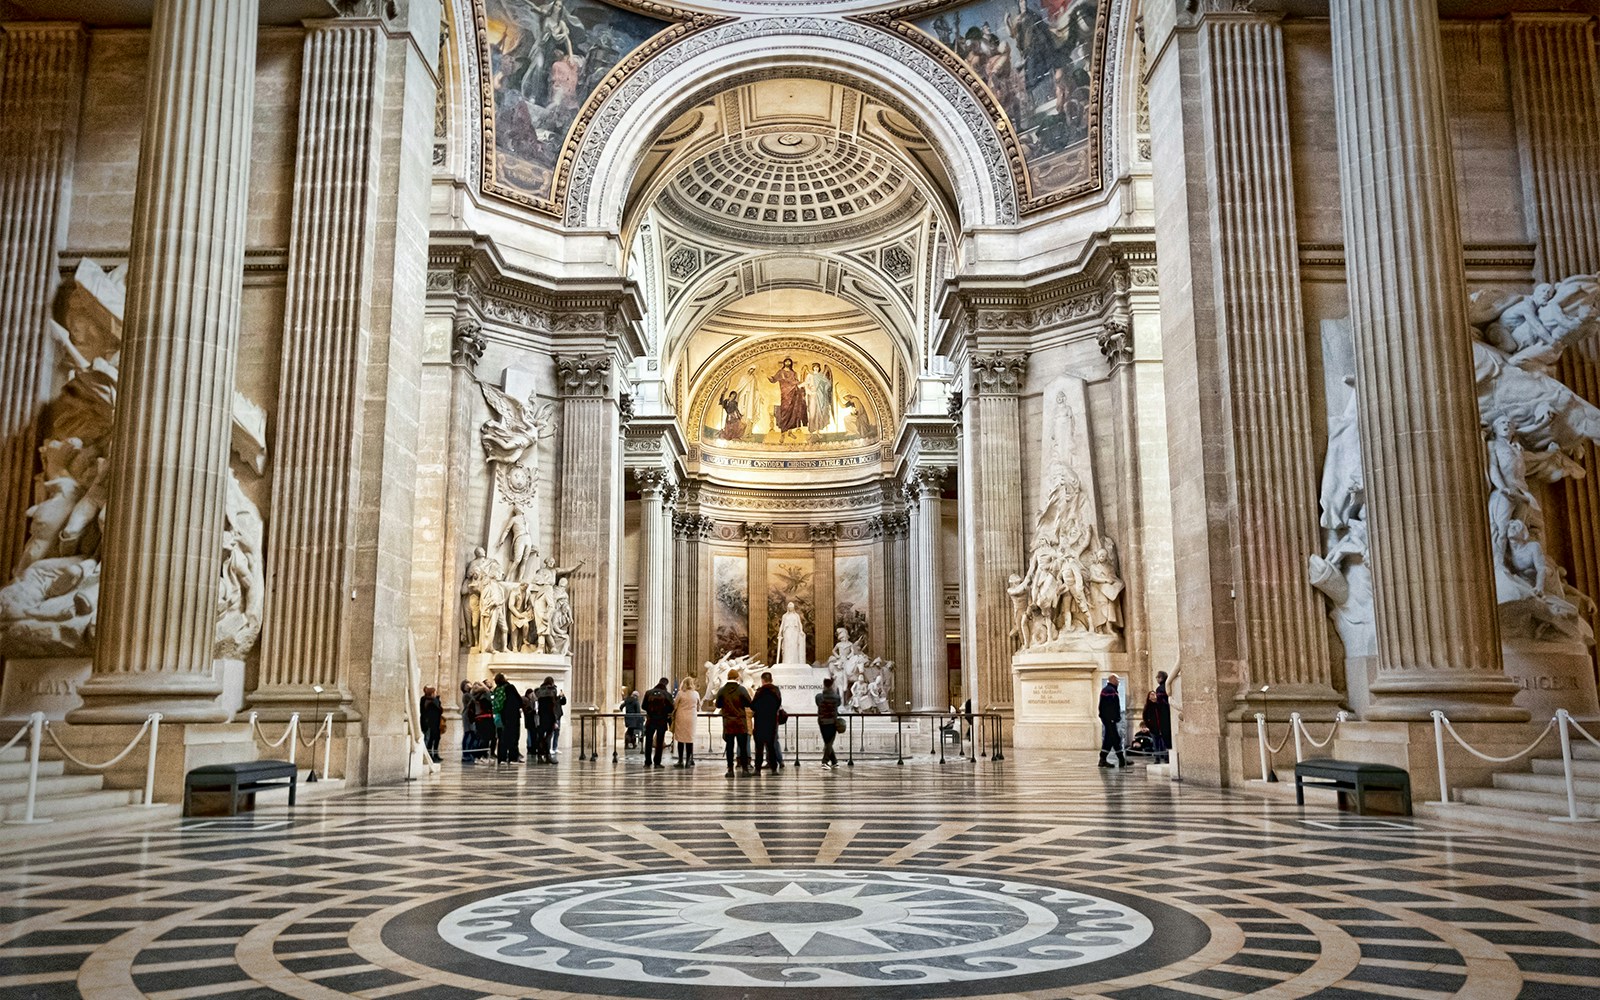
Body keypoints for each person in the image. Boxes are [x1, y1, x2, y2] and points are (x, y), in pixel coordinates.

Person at [715, 668, 754, 776]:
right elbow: (749, 703)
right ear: (737, 678)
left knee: (729, 747)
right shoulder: (741, 689)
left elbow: (717, 705)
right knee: (743, 746)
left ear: (728, 678)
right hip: (740, 722)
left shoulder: (722, 690)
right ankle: (745, 769)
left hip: (728, 722)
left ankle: (730, 770)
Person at [751, 671, 783, 773]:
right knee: (771, 746)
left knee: (759, 748)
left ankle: (757, 769)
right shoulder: (776, 691)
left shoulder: (760, 691)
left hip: (760, 722)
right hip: (771, 722)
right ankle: (774, 768)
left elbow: (753, 706)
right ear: (771, 680)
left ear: (762, 680)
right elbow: (778, 703)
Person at [641, 678, 673, 768]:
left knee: (648, 741)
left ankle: (647, 762)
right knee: (659, 742)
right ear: (666, 684)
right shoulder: (667, 694)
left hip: (650, 720)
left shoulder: (648, 692)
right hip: (662, 721)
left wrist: (651, 712)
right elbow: (671, 708)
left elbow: (643, 706)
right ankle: (657, 762)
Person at [534, 676, 564, 764]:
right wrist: (555, 719)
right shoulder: (552, 691)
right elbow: (553, 705)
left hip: (541, 716)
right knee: (549, 736)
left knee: (540, 736)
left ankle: (540, 756)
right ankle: (547, 755)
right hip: (550, 716)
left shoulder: (539, 691)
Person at [492, 673, 522, 763]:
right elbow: (518, 700)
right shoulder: (509, 687)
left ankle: (502, 758)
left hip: (501, 716)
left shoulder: (496, 689)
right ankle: (512, 758)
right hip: (512, 716)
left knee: (502, 737)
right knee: (513, 736)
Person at [1099, 673, 1127, 768]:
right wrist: (1112, 718)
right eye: (1117, 680)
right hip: (1109, 719)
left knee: (1110, 739)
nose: (1119, 682)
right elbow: (1109, 707)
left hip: (1109, 719)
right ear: (1112, 680)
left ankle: (1103, 759)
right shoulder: (1109, 690)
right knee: (1115, 738)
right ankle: (1121, 760)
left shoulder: (1110, 690)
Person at [672, 676, 701, 767]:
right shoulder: (696, 694)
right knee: (689, 739)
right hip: (691, 718)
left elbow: (675, 705)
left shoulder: (680, 693)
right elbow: (699, 707)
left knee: (680, 739)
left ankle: (680, 761)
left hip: (681, 717)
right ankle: (689, 760)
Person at [815, 676, 842, 769]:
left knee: (827, 742)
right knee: (829, 742)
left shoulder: (819, 697)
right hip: (832, 721)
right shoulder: (836, 697)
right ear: (832, 685)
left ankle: (834, 761)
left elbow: (817, 703)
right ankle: (825, 761)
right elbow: (838, 704)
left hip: (822, 722)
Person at [1152, 670, 1172, 763]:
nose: (1157, 679)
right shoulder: (1169, 686)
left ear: (1161, 678)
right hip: (1170, 714)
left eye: (1157, 677)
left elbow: (1160, 703)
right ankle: (1168, 756)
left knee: (1165, 736)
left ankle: (1166, 757)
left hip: (1163, 715)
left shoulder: (1160, 689)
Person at [420, 686, 443, 763]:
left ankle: (435, 754)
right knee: (430, 739)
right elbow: (439, 709)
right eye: (434, 692)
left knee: (436, 739)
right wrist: (437, 700)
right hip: (430, 723)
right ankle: (430, 755)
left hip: (435, 723)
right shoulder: (427, 700)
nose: (435, 693)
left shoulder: (434, 700)